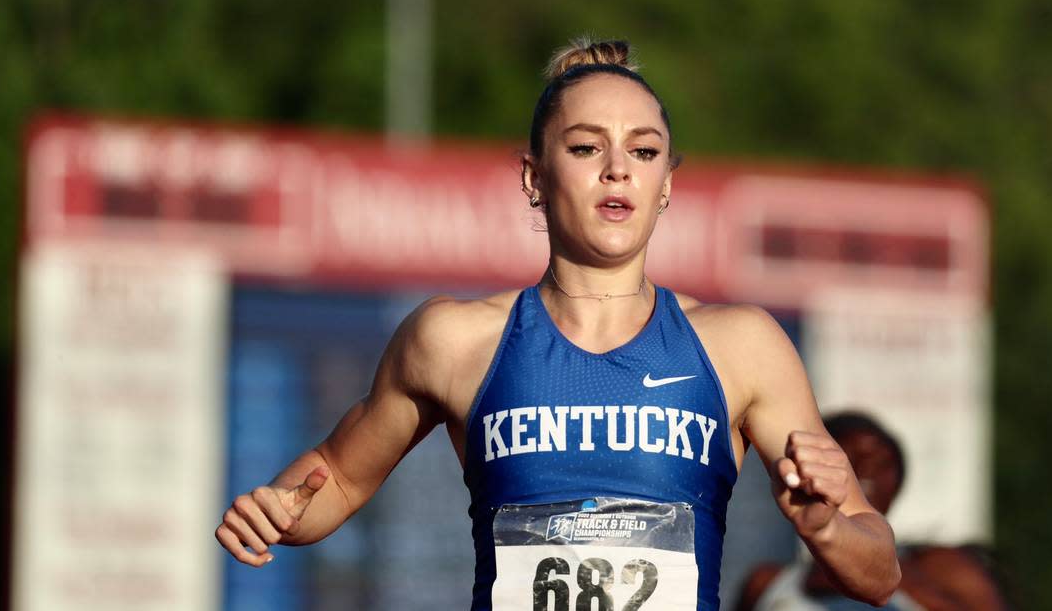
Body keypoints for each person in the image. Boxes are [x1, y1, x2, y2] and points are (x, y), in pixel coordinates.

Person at [215, 39, 901, 610]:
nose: (616, 171)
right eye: (584, 148)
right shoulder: (454, 340)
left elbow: (879, 572)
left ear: (667, 182)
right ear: (533, 177)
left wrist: (826, 528)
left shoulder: (741, 345)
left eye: (642, 151)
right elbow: (336, 475)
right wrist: (279, 507)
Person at [738, 412, 1008, 611]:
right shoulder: (769, 584)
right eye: (851, 456)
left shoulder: (942, 569)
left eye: (882, 462)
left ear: (898, 483)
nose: (867, 467)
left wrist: (892, 584)